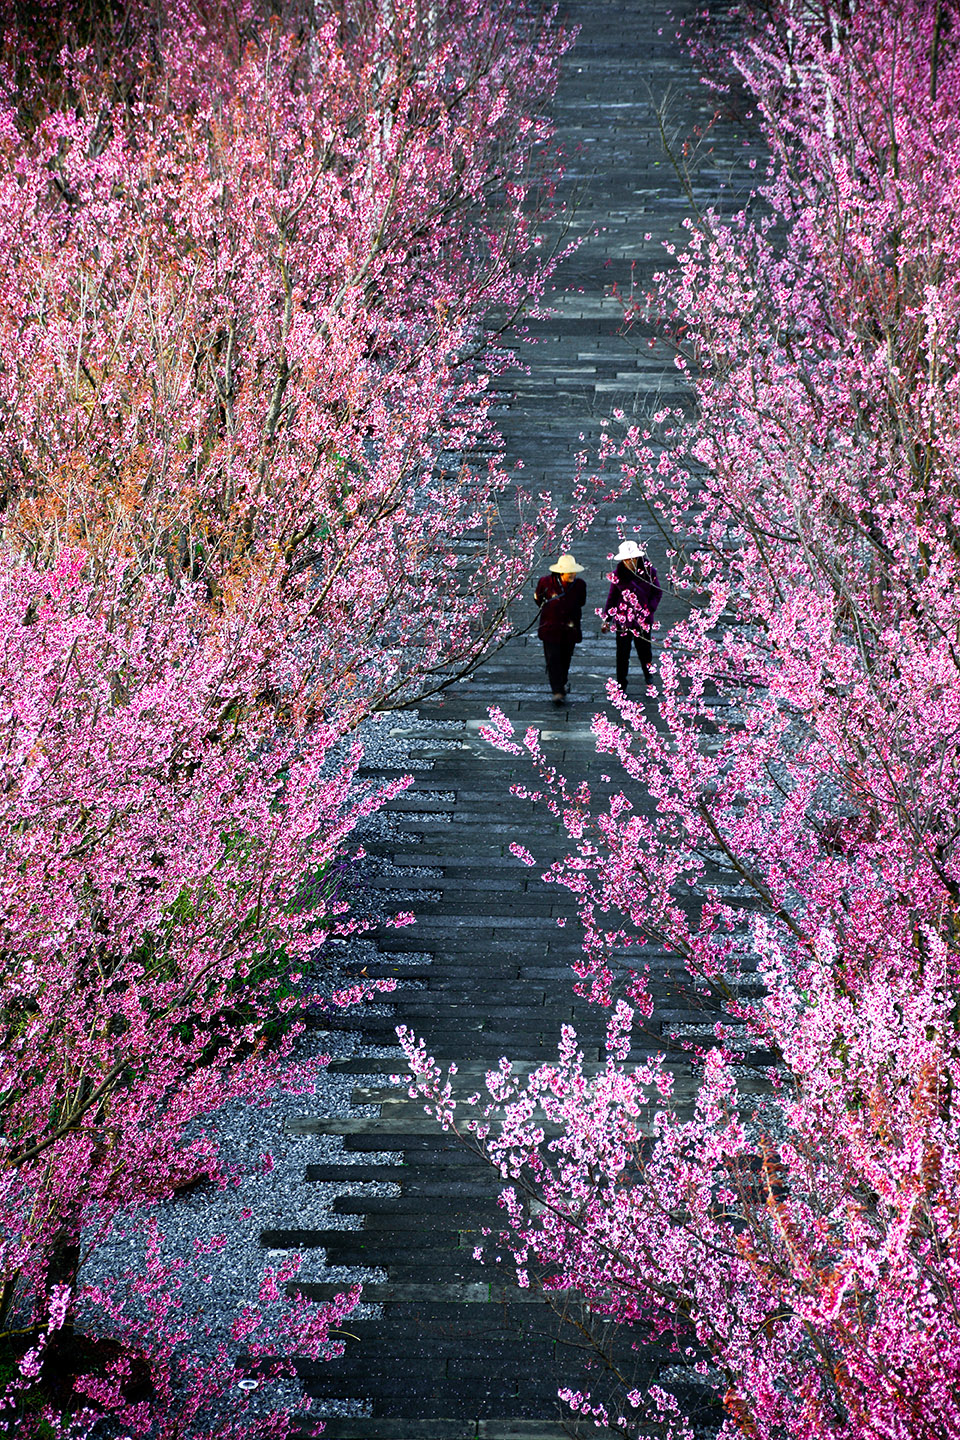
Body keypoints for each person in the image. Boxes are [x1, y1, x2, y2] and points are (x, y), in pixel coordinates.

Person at [601, 539, 662, 689]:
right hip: (623, 619)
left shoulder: (649, 572)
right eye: (626, 560)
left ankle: (648, 674)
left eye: (632, 559)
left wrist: (649, 609)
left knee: (645, 651)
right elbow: (612, 597)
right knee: (622, 653)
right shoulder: (617, 575)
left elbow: (657, 592)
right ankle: (621, 682)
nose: (629, 562)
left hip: (643, 619)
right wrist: (606, 619)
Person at [534, 553, 586, 705]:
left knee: (565, 658)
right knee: (552, 659)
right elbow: (539, 599)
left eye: (573, 572)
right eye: (569, 572)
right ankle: (557, 689)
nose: (572, 574)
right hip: (550, 628)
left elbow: (581, 601)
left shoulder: (580, 585)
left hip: (570, 629)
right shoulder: (546, 582)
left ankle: (562, 682)